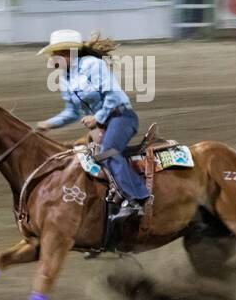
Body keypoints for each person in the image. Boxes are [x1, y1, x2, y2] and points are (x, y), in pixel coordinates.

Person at [36, 29, 151, 223]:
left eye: (54, 54)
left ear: (66, 52)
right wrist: (49, 124)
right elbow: (72, 112)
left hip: (121, 116)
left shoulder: (92, 65)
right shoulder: (66, 78)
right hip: (103, 124)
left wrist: (98, 118)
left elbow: (113, 95)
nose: (51, 60)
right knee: (84, 158)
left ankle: (136, 199)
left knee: (108, 152)